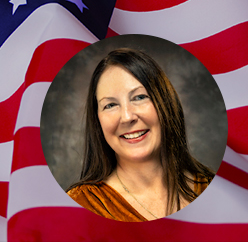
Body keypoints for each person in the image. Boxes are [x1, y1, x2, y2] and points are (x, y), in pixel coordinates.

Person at [66, 48, 214, 222]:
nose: (127, 117)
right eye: (110, 105)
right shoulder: (79, 204)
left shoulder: (216, 189)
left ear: (165, 102)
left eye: (139, 97)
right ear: (97, 120)